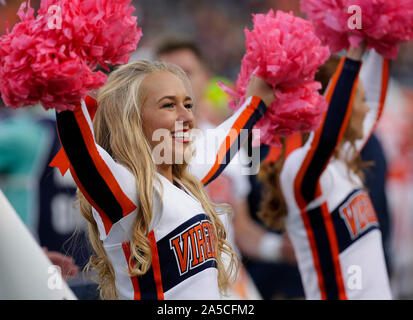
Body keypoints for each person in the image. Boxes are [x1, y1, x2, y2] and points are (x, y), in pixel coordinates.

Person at [54, 60, 275, 299]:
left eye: (188, 104)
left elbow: (222, 144)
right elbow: (81, 149)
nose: (187, 116)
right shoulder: (128, 189)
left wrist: (256, 104)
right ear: (131, 119)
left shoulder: (184, 183)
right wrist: (64, 76)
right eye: (169, 105)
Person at [155, 38, 295, 299]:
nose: (176, 82)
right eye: (166, 73)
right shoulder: (145, 151)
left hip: (232, 287)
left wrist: (279, 249)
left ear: (205, 79)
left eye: (186, 72)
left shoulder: (231, 144)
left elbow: (239, 228)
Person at [258, 43, 393, 299]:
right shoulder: (300, 169)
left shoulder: (342, 163)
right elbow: (327, 135)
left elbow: (374, 101)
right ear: (336, 107)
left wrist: (382, 38)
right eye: (359, 101)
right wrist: (353, 54)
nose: (365, 110)